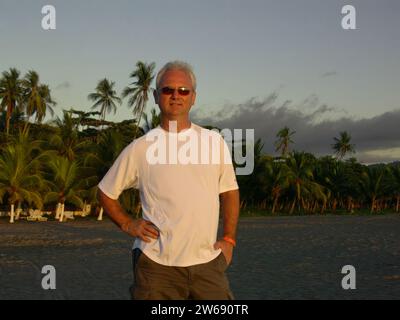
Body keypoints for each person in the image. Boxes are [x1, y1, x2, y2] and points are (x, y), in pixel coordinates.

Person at [97, 61, 240, 300]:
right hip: (156, 267)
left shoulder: (214, 142)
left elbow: (229, 192)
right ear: (155, 96)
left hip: (208, 263)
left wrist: (229, 239)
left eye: (183, 90)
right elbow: (105, 192)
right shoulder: (141, 148)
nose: (176, 96)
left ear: (193, 97)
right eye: (167, 90)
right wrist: (127, 224)